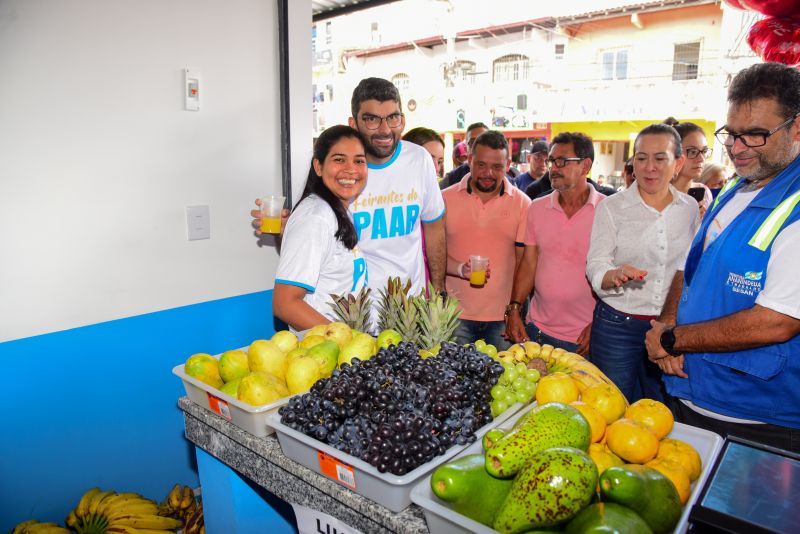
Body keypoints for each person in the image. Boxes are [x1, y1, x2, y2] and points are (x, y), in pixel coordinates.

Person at [645, 62, 800, 452]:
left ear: (796, 128)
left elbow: (776, 322)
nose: (737, 147)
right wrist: (666, 323)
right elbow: (690, 266)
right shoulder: (737, 187)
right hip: (692, 393)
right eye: (732, 134)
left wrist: (674, 339)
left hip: (755, 420)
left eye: (756, 135)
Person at [252, 78, 446, 299]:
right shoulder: (342, 178)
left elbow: (434, 226)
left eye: (393, 118)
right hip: (355, 312)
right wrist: (288, 231)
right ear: (353, 124)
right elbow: (314, 248)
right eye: (371, 119)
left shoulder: (419, 159)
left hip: (412, 307)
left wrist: (438, 291)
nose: (385, 130)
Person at [586, 123, 700, 403]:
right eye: (641, 158)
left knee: (663, 407)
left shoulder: (689, 209)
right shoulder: (611, 207)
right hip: (616, 326)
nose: (650, 167)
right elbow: (595, 263)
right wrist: (613, 275)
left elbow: (691, 268)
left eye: (660, 158)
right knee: (612, 406)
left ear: (678, 162)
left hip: (668, 329)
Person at [505, 132, 605, 354]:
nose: (554, 168)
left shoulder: (607, 211)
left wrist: (600, 323)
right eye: (552, 161)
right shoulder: (537, 208)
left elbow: (615, 274)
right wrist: (514, 309)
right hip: (537, 332)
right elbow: (529, 264)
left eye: (562, 161)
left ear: (585, 165)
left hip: (586, 339)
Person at [273, 125, 369, 330]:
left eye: (359, 161)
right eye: (339, 159)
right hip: (322, 352)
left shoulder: (336, 210)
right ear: (318, 166)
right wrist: (345, 339)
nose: (351, 169)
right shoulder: (316, 217)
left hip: (338, 350)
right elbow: (285, 304)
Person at [442, 130, 531, 350]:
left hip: (502, 320)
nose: (488, 173)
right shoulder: (443, 199)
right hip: (453, 317)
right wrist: (460, 269)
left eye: (497, 167)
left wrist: (515, 310)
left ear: (508, 164)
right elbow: (431, 255)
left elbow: (525, 264)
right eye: (481, 165)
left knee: (503, 382)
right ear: (469, 160)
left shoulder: (522, 204)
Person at [665, 118, 714, 216]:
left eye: (704, 151)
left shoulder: (705, 193)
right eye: (692, 151)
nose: (701, 159)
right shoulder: (655, 194)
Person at [442, 122, 488, 188]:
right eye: (473, 142)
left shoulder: (504, 178)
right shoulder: (451, 179)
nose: (479, 147)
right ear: (466, 148)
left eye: (484, 141)